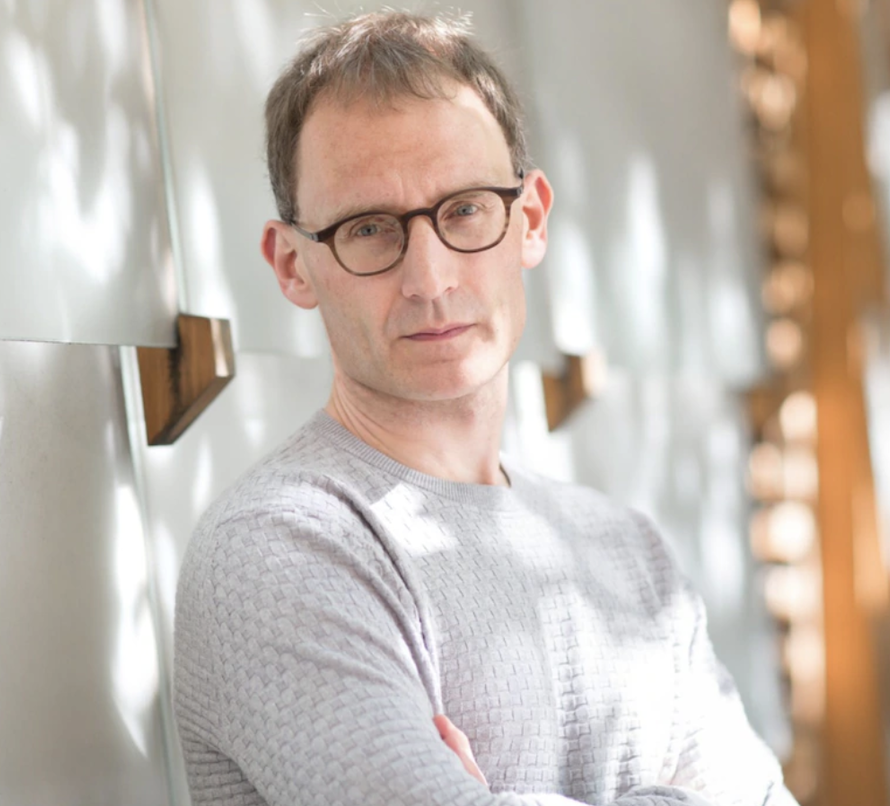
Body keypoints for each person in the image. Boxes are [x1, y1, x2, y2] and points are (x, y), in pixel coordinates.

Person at [172, 10, 796, 806]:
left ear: (528, 219)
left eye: (465, 209)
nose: (430, 280)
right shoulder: (276, 552)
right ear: (293, 265)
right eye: (369, 228)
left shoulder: (627, 549)